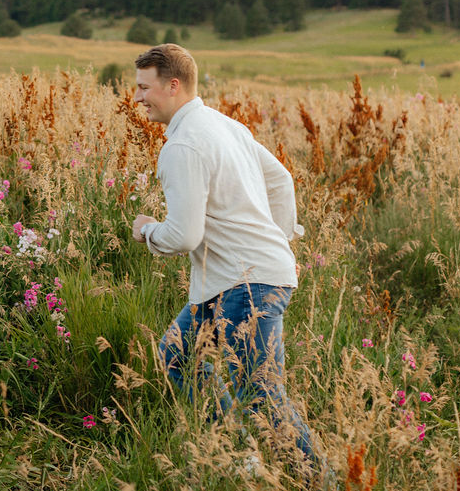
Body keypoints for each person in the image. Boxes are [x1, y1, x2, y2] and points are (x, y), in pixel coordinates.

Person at [130, 44, 329, 480]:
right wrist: (278, 242)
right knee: (175, 359)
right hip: (229, 281)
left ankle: (320, 481)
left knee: (261, 393)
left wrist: (146, 229)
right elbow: (281, 179)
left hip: (246, 284)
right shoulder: (226, 126)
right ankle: (242, 455)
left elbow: (184, 236)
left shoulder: (183, 145)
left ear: (173, 85)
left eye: (145, 87)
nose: (138, 98)